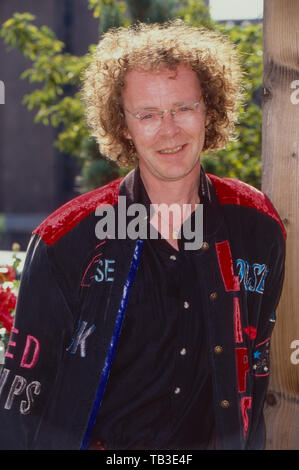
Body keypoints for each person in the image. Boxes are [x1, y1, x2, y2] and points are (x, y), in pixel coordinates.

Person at [0, 20, 285, 450]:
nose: (169, 130)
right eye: (148, 114)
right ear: (123, 126)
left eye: (183, 108)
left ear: (210, 109)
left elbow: (255, 380)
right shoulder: (65, 240)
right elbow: (17, 413)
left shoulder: (258, 228)